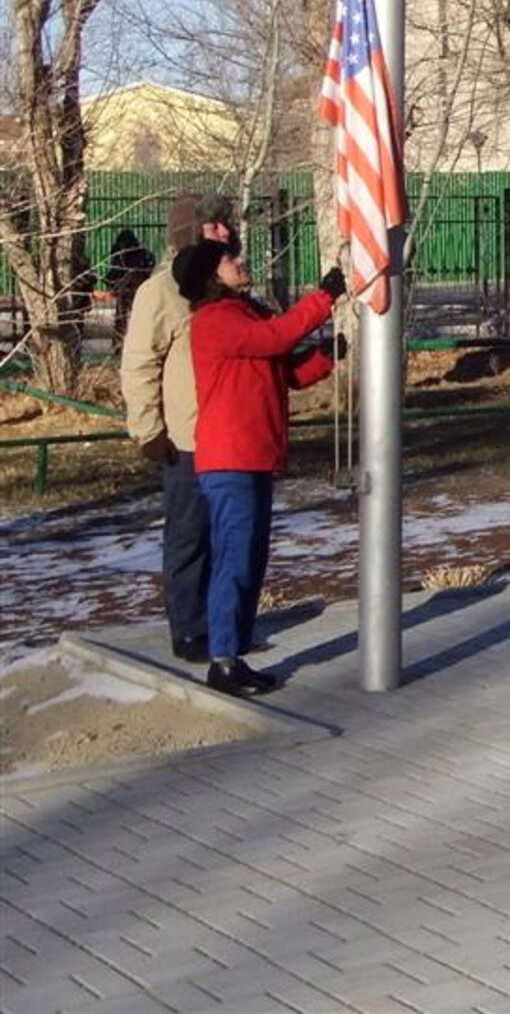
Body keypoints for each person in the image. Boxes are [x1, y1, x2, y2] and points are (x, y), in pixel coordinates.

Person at [176, 238, 344, 695]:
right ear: (214, 275)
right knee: (234, 558)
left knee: (249, 558)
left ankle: (235, 653)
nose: (239, 263)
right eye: (230, 260)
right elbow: (276, 338)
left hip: (251, 456)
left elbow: (283, 370)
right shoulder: (214, 321)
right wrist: (323, 298)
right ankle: (224, 659)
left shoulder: (243, 314)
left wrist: (326, 358)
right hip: (230, 458)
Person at [120, 194, 237, 662]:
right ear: (190, 232)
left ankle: (223, 626)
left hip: (229, 436)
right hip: (186, 440)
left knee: (227, 538)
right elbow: (139, 365)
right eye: (214, 227)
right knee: (189, 538)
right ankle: (189, 629)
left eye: (226, 225)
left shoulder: (222, 284)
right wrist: (148, 431)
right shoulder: (161, 291)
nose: (225, 233)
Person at [106, 228, 156, 344]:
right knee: (123, 317)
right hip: (129, 289)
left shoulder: (138, 254)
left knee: (130, 316)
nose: (123, 246)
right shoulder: (122, 255)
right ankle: (119, 342)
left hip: (135, 289)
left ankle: (125, 341)